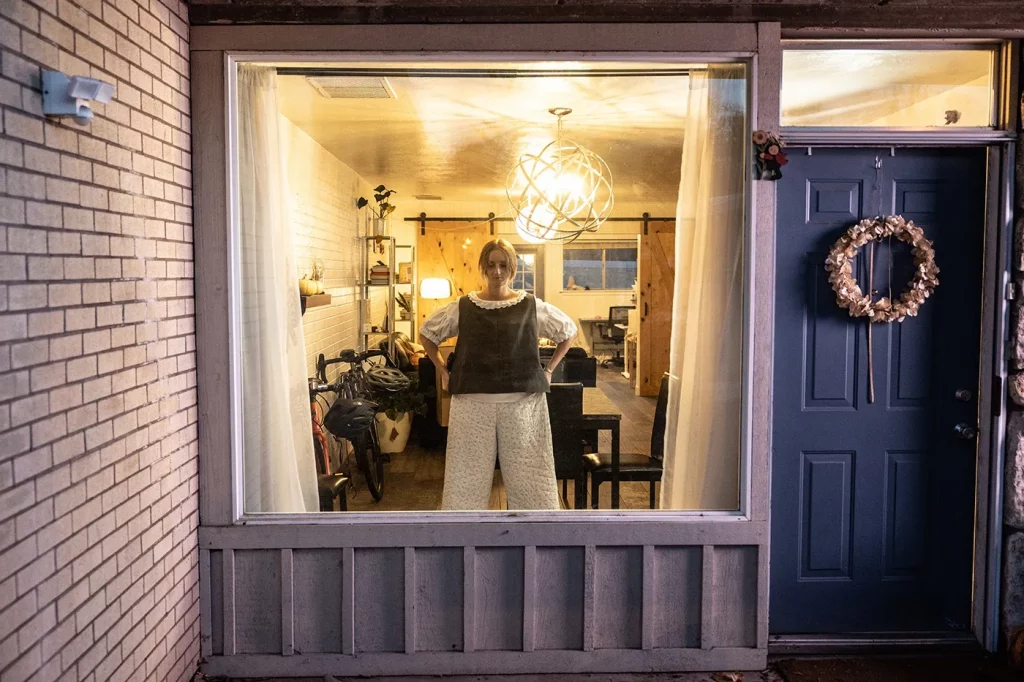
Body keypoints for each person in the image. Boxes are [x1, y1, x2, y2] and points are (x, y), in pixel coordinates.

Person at [420, 239, 578, 510]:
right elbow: (427, 334)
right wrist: (442, 371)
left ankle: (537, 542)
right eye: (491, 264)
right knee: (465, 479)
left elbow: (568, 332)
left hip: (524, 403)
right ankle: (463, 543)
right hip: (472, 403)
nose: (497, 271)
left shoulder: (532, 306)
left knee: (531, 478)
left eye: (503, 265)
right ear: (482, 266)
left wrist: (549, 370)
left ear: (512, 268)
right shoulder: (462, 307)